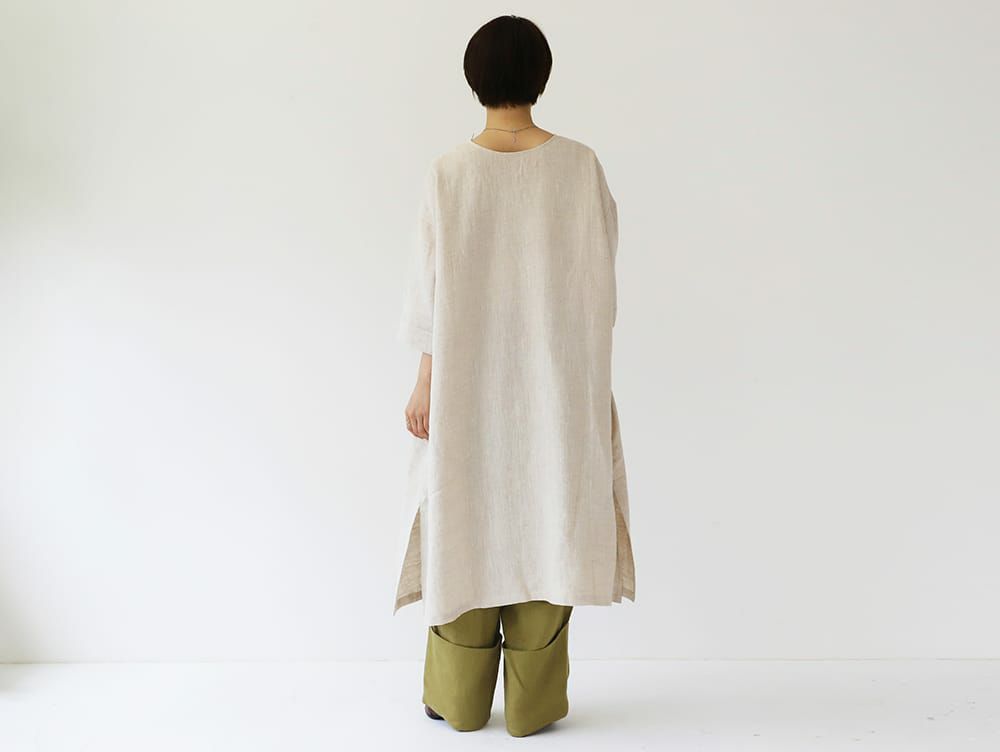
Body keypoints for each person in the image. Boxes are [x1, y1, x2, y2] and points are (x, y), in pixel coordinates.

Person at [393, 14, 636, 737]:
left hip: (469, 382)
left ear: (474, 79)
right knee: (547, 511)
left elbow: (428, 290)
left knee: (466, 514)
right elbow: (601, 279)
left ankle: (460, 697)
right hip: (556, 384)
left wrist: (426, 380)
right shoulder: (580, 166)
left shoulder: (449, 172)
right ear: (541, 77)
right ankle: (533, 703)